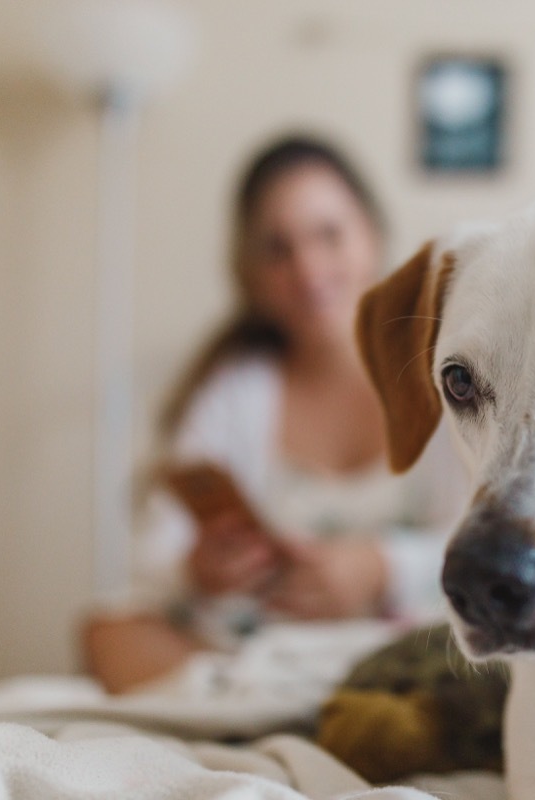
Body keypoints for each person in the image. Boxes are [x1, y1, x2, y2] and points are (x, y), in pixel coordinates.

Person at [83, 136, 464, 694]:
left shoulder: (443, 372)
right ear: (250, 272)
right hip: (261, 651)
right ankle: (275, 706)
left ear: (373, 235)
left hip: (401, 647)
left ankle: (276, 709)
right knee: (106, 631)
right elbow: (154, 553)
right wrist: (201, 568)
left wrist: (379, 568)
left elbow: (486, 540)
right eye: (277, 249)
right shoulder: (236, 389)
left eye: (328, 235)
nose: (308, 268)